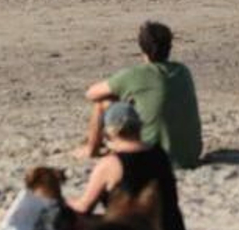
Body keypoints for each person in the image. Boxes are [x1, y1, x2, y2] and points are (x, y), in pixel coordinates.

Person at [75, 21, 202, 170]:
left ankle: (91, 149)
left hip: (152, 157)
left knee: (103, 102)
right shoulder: (183, 71)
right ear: (170, 47)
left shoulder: (136, 75)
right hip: (190, 156)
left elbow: (91, 94)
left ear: (142, 47)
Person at [69, 101, 189, 230]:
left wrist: (61, 202)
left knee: (71, 221)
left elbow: (84, 207)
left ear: (110, 131)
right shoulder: (160, 153)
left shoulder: (110, 164)